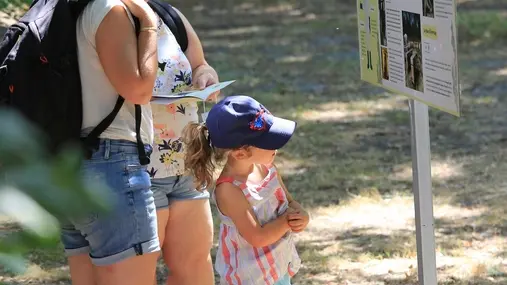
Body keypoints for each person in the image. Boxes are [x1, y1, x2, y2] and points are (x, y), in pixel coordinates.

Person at [59, 0, 161, 284]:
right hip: (111, 166)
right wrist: (150, 25)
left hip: (67, 165)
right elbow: (139, 90)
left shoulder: (61, 8)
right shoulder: (108, 9)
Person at [182, 95, 310, 285]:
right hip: (251, 277)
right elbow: (257, 237)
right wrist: (286, 222)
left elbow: (289, 202)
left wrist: (301, 214)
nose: (276, 146)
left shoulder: (267, 169)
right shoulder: (229, 190)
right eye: (269, 142)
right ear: (241, 153)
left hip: (276, 268)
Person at [145, 4, 219, 285]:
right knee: (138, 273)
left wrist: (204, 75)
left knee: (195, 266)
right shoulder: (107, 18)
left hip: (187, 163)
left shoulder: (168, 14)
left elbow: (201, 64)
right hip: (138, 169)